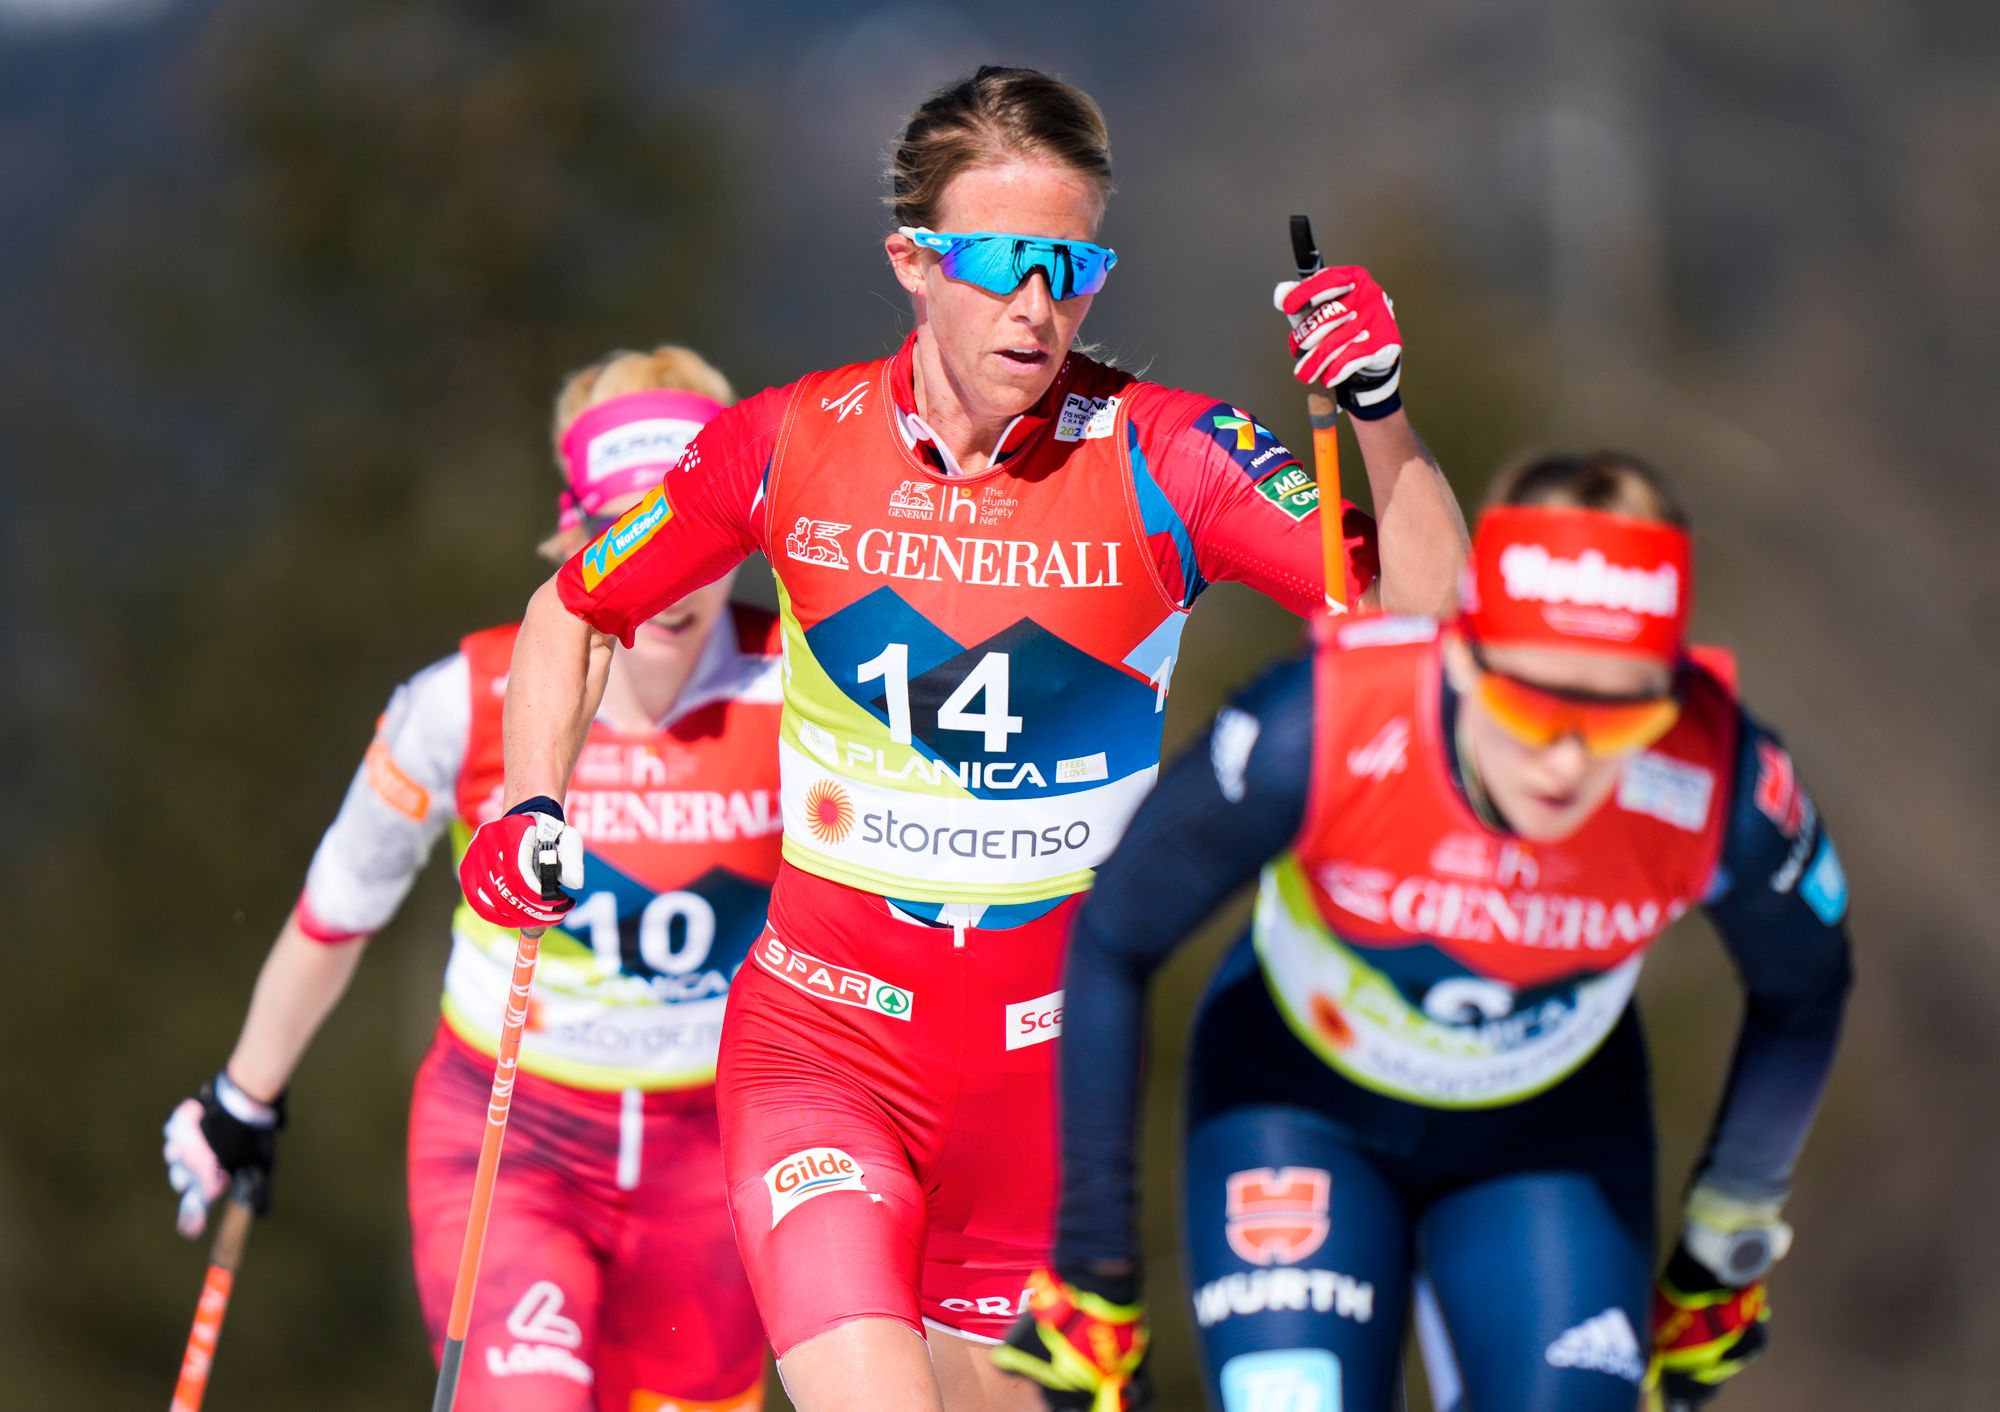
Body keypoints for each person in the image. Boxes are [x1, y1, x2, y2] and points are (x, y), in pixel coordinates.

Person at [455, 65, 1467, 1412]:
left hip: (1048, 1086)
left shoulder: (1172, 456)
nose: (1039, 306)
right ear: (914, 261)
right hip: (824, 1043)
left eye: (1074, 265)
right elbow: (575, 609)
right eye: (1000, 261)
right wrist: (533, 808)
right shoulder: (786, 442)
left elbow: (1436, 630)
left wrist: (1381, 412)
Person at [1026, 452, 1854, 1412]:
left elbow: (1806, 988)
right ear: (1460, 653)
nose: (1567, 759)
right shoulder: (1327, 726)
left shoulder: (1717, 781)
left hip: (1544, 1134)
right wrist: (1094, 1269)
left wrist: (1726, 1241)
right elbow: (1117, 934)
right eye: (1530, 701)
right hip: (1299, 1107)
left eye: (1620, 716)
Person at [162, 346, 782, 1412]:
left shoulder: (799, 684)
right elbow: (336, 913)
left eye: (695, 539)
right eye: (627, 532)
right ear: (578, 533)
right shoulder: (464, 699)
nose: (667, 577)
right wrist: (240, 1098)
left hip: (717, 1159)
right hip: (521, 1134)